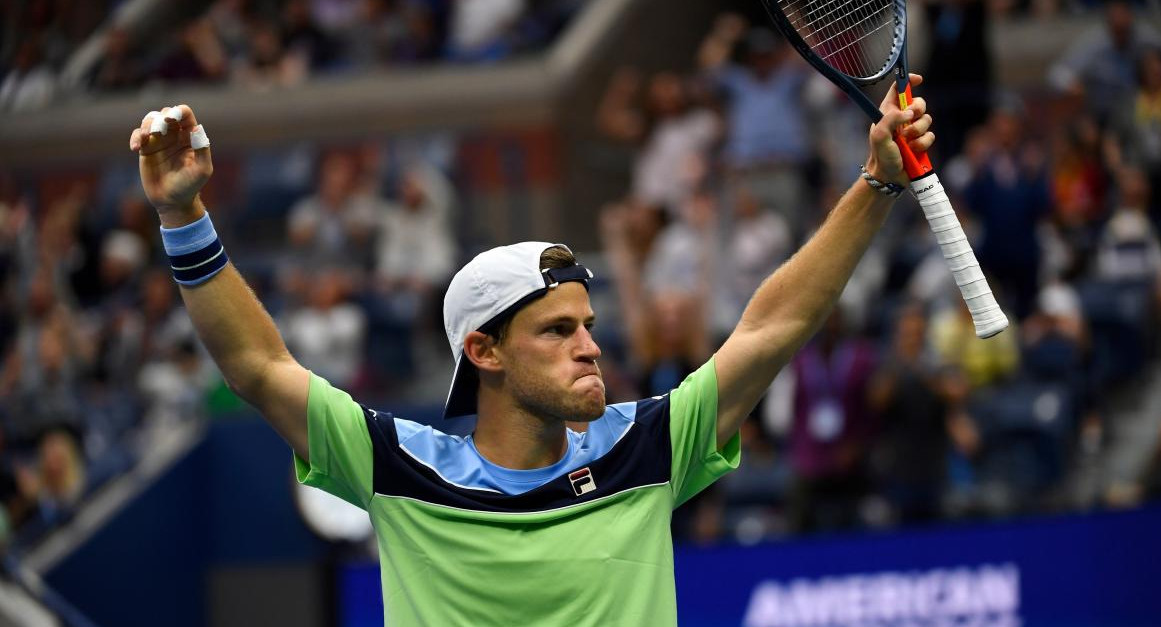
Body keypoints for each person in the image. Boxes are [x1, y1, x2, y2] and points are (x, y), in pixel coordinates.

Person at [127, 73, 935, 625]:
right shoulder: (399, 467)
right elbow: (260, 367)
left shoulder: (645, 445)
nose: (590, 348)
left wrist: (874, 184)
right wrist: (183, 215)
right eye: (556, 330)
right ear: (483, 350)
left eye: (587, 325)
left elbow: (770, 325)